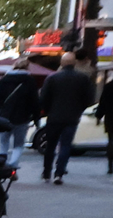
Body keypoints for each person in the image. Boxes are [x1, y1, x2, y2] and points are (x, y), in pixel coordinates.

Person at [39, 54, 97, 183]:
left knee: (51, 145)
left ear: (62, 63)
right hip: (72, 117)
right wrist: (79, 109)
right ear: (74, 63)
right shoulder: (83, 78)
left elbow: (43, 99)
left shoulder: (52, 78)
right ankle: (59, 173)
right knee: (66, 145)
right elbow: (89, 99)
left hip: (54, 116)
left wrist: (48, 111)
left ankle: (46, 172)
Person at [0, 53, 46, 177]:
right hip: (22, 118)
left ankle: (1, 165)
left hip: (4, 117)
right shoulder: (30, 81)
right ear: (27, 68)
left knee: (3, 143)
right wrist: (36, 118)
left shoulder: (4, 80)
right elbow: (35, 102)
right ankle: (12, 167)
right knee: (19, 144)